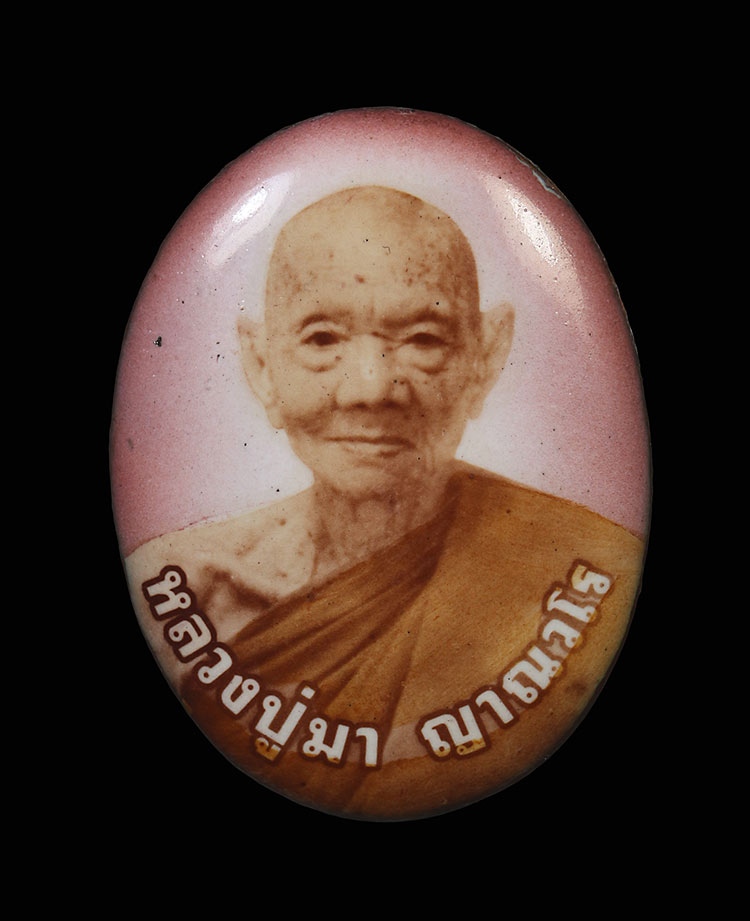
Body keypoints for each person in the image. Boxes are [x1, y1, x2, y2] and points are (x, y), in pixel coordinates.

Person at [125, 186, 645, 820]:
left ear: (485, 358)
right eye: (322, 339)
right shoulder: (192, 584)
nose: (371, 389)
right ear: (262, 366)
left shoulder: (582, 569)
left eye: (423, 340)